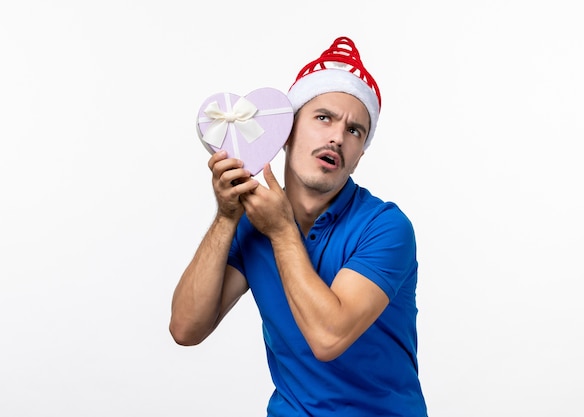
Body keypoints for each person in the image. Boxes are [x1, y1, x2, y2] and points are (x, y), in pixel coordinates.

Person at [169, 36, 428, 416]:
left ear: (358, 156)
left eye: (355, 130)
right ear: (285, 133)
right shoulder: (252, 223)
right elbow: (185, 329)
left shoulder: (386, 227)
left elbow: (328, 337)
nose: (337, 137)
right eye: (323, 117)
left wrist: (281, 231)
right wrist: (227, 217)